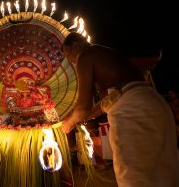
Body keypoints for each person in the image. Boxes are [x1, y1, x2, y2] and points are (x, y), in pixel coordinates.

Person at [60, 32, 179, 187]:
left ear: (76, 45)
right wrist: (83, 117)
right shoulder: (106, 54)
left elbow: (83, 107)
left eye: (69, 54)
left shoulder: (85, 55)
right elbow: (107, 102)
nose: (71, 60)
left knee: (135, 175)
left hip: (134, 109)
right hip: (155, 104)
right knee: (163, 171)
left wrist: (68, 124)